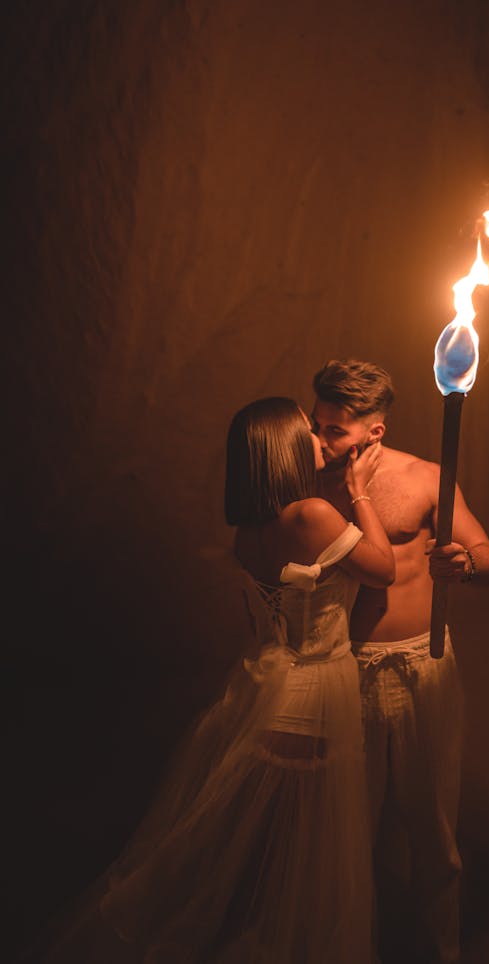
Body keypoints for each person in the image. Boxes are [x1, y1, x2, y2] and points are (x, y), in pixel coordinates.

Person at [36, 397, 394, 964]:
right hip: (313, 692)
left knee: (268, 856)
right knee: (306, 861)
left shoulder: (250, 529)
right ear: (282, 447)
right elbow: (384, 567)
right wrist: (359, 490)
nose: (319, 441)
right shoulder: (311, 515)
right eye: (307, 431)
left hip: (270, 687)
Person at [312, 360, 489, 964]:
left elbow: (488, 557)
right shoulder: (309, 482)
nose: (320, 439)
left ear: (374, 431)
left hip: (424, 661)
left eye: (334, 430)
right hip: (346, 667)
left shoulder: (425, 478)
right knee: (345, 834)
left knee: (433, 828)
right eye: (317, 424)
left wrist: (463, 565)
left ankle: (440, 951)